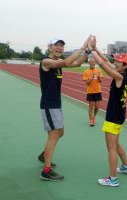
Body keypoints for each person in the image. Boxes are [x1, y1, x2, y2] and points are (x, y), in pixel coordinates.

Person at [38, 36, 91, 181]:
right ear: (49, 47)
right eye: (56, 45)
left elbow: (78, 63)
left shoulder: (58, 64)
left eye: (61, 46)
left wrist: (87, 50)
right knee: (54, 136)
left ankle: (44, 155)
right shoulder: (46, 62)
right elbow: (68, 61)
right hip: (49, 105)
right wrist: (81, 46)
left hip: (56, 104)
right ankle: (46, 171)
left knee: (60, 133)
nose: (59, 48)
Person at [89, 36, 127, 187]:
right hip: (120, 115)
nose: (114, 62)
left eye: (117, 61)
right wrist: (96, 49)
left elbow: (103, 64)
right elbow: (106, 61)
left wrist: (90, 50)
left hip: (113, 117)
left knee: (111, 148)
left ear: (124, 66)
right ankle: (126, 167)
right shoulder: (125, 75)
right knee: (116, 144)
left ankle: (113, 179)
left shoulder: (119, 76)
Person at [83, 55, 104, 126]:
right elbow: (87, 83)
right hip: (90, 92)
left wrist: (98, 77)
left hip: (98, 91)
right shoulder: (86, 71)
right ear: (89, 63)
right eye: (91, 62)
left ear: (95, 63)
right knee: (91, 106)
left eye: (94, 62)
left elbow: (101, 81)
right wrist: (92, 77)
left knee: (97, 107)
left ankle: (93, 117)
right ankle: (91, 120)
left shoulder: (98, 70)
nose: (92, 64)